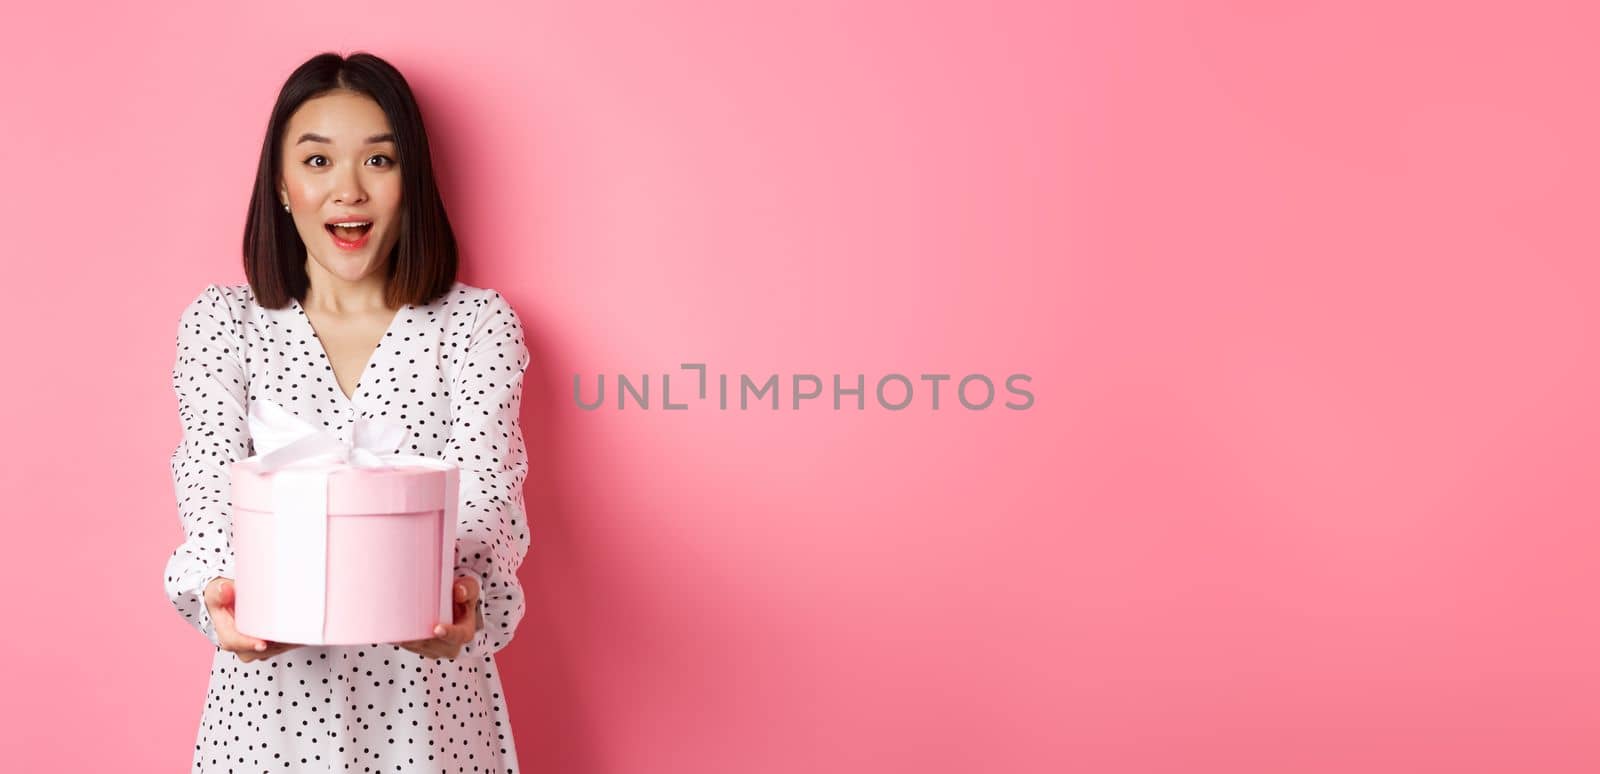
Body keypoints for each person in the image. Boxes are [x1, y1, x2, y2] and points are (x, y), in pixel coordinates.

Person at [162, 51, 530, 773]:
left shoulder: (476, 327)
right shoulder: (224, 325)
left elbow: (489, 508)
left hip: (429, 718)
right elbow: (206, 495)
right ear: (283, 185)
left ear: (410, 179)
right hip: (267, 723)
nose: (349, 192)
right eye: (319, 161)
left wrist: (468, 604)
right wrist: (218, 595)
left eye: (380, 161)